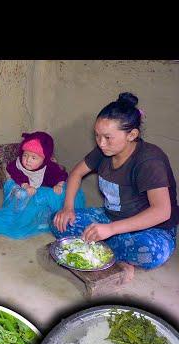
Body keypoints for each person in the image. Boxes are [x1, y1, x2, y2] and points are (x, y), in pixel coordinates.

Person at [52, 92, 178, 269]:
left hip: (153, 228)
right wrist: (68, 208)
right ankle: (115, 253)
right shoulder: (104, 151)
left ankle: (111, 252)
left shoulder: (149, 161)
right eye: (97, 136)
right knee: (59, 223)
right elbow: (76, 174)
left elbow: (162, 212)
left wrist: (110, 230)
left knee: (150, 252)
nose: (101, 143)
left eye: (107, 137)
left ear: (132, 134)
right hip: (111, 217)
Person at [0, 131, 84, 239]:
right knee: (22, 199)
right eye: (25, 155)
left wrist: (59, 185)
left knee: (62, 193)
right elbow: (13, 173)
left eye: (34, 158)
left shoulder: (50, 167)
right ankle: (28, 218)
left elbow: (62, 175)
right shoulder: (17, 165)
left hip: (40, 195)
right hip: (28, 196)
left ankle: (44, 218)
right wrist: (25, 185)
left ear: (44, 159)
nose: (27, 161)